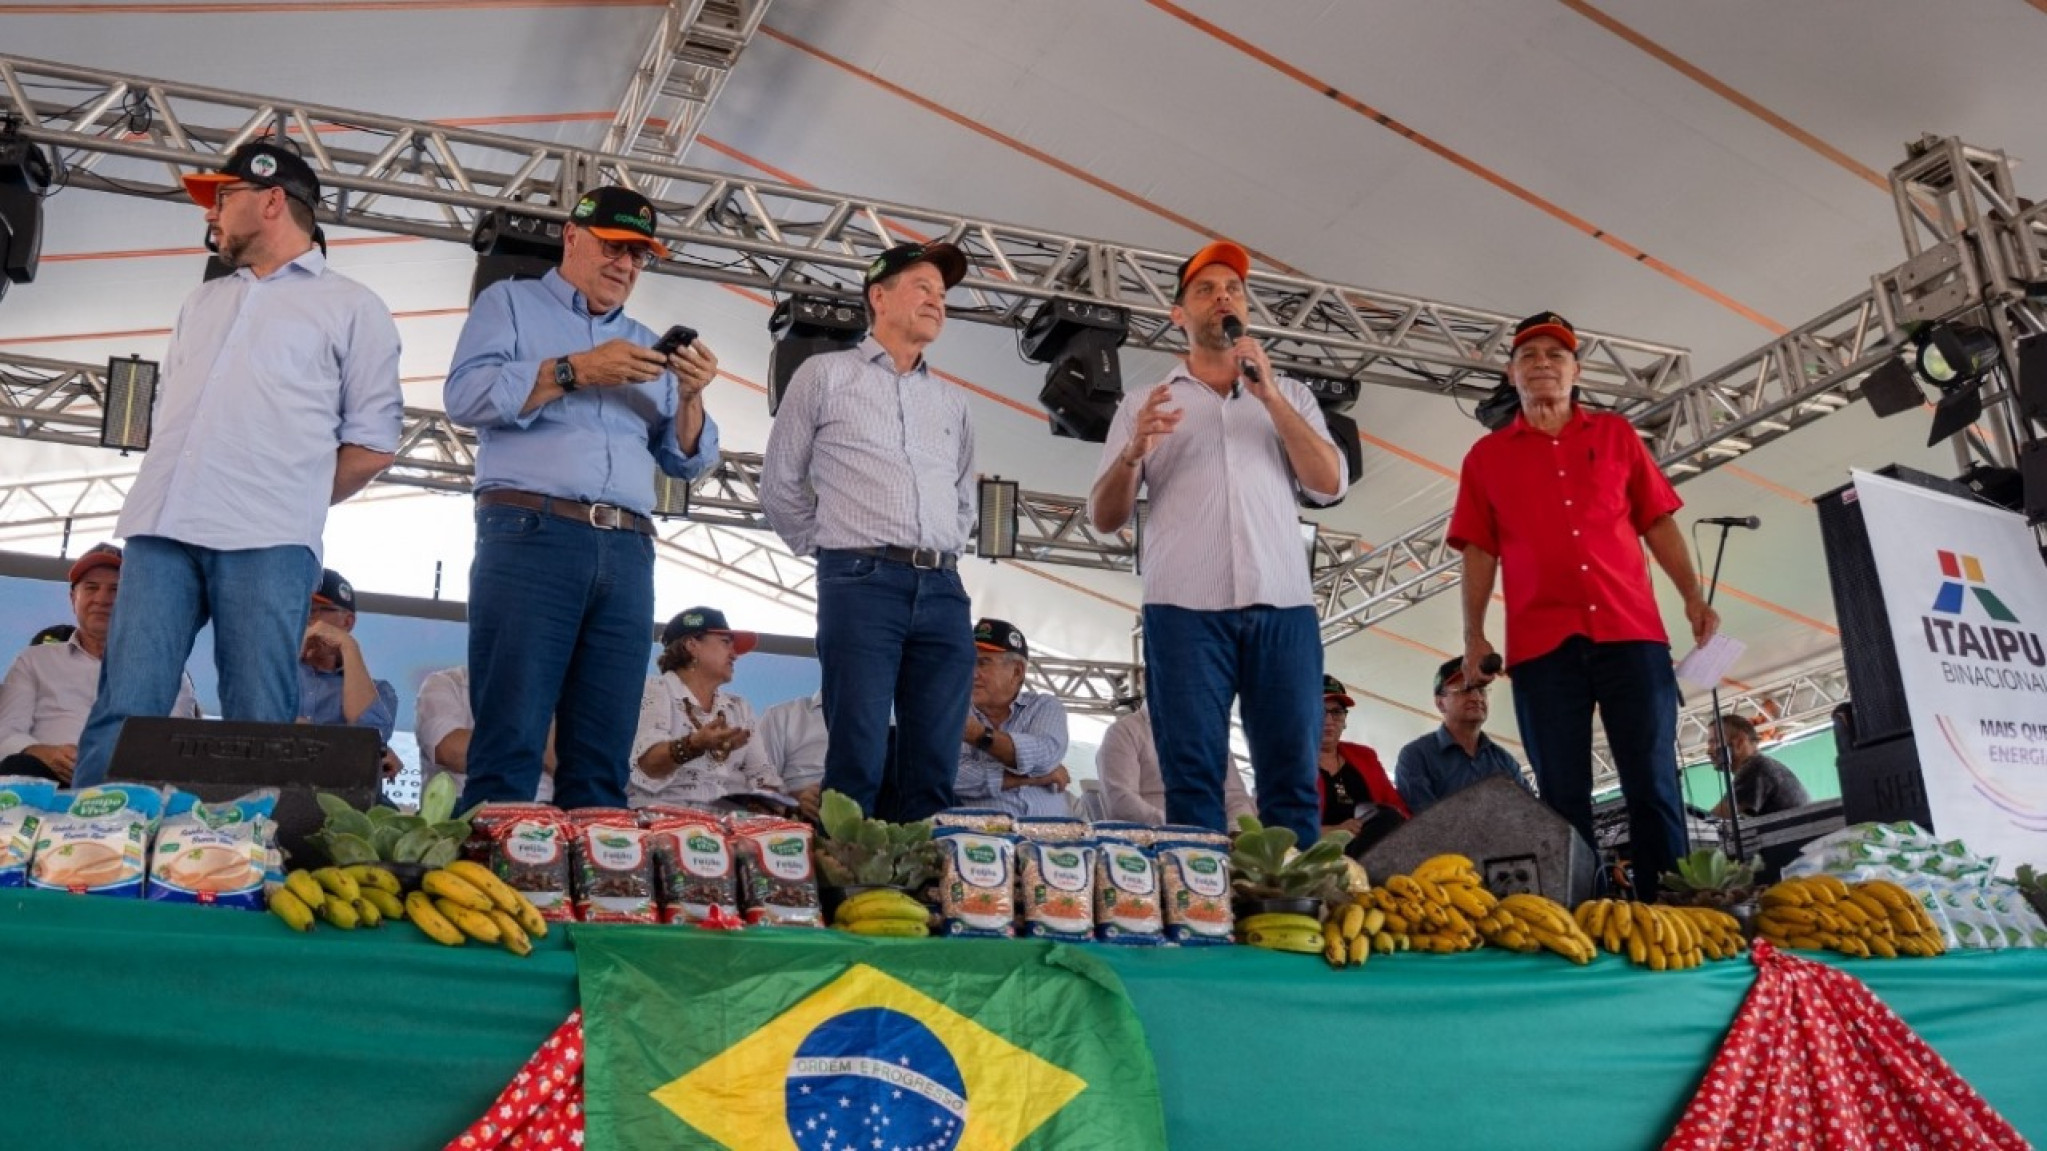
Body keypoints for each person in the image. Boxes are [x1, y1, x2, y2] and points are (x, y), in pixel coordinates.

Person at [72, 141, 403, 788]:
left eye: (223, 199)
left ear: (273, 199)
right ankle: (87, 854)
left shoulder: (352, 306)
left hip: (268, 536)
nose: (210, 216)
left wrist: (291, 496)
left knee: (259, 719)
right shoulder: (200, 303)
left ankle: (250, 865)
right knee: (124, 703)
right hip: (162, 526)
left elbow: (372, 446)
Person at [445, 186, 722, 811]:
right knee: (511, 738)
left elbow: (686, 459)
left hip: (628, 548)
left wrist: (695, 394)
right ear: (572, 237)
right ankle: (484, 891)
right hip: (531, 531)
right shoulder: (509, 303)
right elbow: (465, 399)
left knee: (603, 753)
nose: (626, 266)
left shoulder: (650, 340)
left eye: (639, 256)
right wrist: (573, 370)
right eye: (613, 248)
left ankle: (590, 894)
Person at [1449, 311, 1718, 901]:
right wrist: (1474, 634)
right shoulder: (1486, 459)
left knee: (1653, 781)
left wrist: (1692, 597)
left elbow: (1657, 520)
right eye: (1529, 356)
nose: (1543, 364)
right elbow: (1477, 551)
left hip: (1631, 634)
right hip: (1542, 646)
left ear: (1576, 371)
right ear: (1511, 374)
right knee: (1561, 792)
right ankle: (1580, 917)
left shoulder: (1616, 435)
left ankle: (1674, 910)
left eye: (1556, 355)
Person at [1086, 239, 1347, 844]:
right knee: (1192, 774)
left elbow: (1329, 485)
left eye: (1232, 289)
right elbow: (1105, 517)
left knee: (1289, 770)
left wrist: (1272, 396)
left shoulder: (1291, 396)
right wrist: (1131, 455)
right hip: (1184, 610)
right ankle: (1200, 911)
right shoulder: (1145, 404)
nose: (1221, 297)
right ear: (1179, 315)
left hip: (1282, 606)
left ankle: (1291, 912)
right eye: (1205, 290)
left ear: (1246, 310)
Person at [760, 242, 977, 822]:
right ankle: (852, 901)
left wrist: (942, 549)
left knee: (934, 760)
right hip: (860, 580)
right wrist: (835, 550)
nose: (937, 300)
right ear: (878, 296)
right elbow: (778, 483)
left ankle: (919, 900)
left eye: (943, 293)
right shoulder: (824, 374)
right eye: (923, 286)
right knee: (856, 752)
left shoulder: (954, 402)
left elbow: (964, 500)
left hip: (943, 586)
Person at [0, 545, 200, 783]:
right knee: (19, 765)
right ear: (73, 597)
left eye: (116, 589)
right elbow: (7, 734)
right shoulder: (34, 660)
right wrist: (43, 752)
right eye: (91, 587)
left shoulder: (167, 671)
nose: (102, 599)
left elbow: (175, 745)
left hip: (129, 783)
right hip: (46, 780)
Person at [628, 607, 781, 809]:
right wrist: (695, 744)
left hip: (725, 827)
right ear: (692, 645)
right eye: (726, 642)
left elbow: (761, 775)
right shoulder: (654, 689)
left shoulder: (739, 707)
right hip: (661, 825)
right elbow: (648, 766)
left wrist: (772, 801)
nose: (735, 655)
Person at [953, 618, 1071, 817]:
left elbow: (1044, 756)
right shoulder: (955, 710)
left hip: (1052, 839)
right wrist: (1032, 778)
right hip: (982, 840)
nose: (972, 674)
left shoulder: (1044, 706)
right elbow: (952, 777)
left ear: (1017, 672)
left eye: (983, 663)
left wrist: (979, 735)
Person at [1393, 656, 1534, 816]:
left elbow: (1528, 814)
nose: (1477, 698)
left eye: (1481, 690)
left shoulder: (1505, 761)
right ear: (1440, 703)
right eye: (1465, 690)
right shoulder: (1416, 756)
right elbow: (1426, 823)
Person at [1096, 699, 1256, 827]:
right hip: (1152, 849)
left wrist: (1237, 829)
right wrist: (1181, 829)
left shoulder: (1211, 735)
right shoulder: (1124, 732)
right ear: (1143, 678)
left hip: (1215, 843)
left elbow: (1235, 797)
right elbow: (1122, 803)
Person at [415, 666, 557, 804]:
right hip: (467, 806)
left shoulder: (560, 691)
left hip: (548, 809)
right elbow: (451, 751)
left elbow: (567, 764)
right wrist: (538, 745)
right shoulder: (447, 683)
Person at [296, 569, 398, 744]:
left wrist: (349, 646)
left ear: (347, 622)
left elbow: (369, 741)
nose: (304, 618)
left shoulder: (380, 691)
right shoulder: (272, 675)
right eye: (298, 609)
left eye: (313, 610)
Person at [1315, 676, 1410, 852]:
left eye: (1336, 712)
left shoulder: (1365, 756)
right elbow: (1277, 827)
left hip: (1375, 850)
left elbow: (1397, 808)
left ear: (1344, 720)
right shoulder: (1288, 764)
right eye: (1319, 711)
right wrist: (1332, 832)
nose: (1328, 721)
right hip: (1318, 858)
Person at [1707, 714, 1810, 818]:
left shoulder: (1755, 768)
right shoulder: (1766, 766)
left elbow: (1715, 819)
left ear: (1739, 742)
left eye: (1714, 742)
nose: (1708, 751)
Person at [756, 690, 826, 821]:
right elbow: (753, 791)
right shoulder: (780, 717)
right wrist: (795, 803)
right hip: (800, 831)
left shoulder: (876, 722)